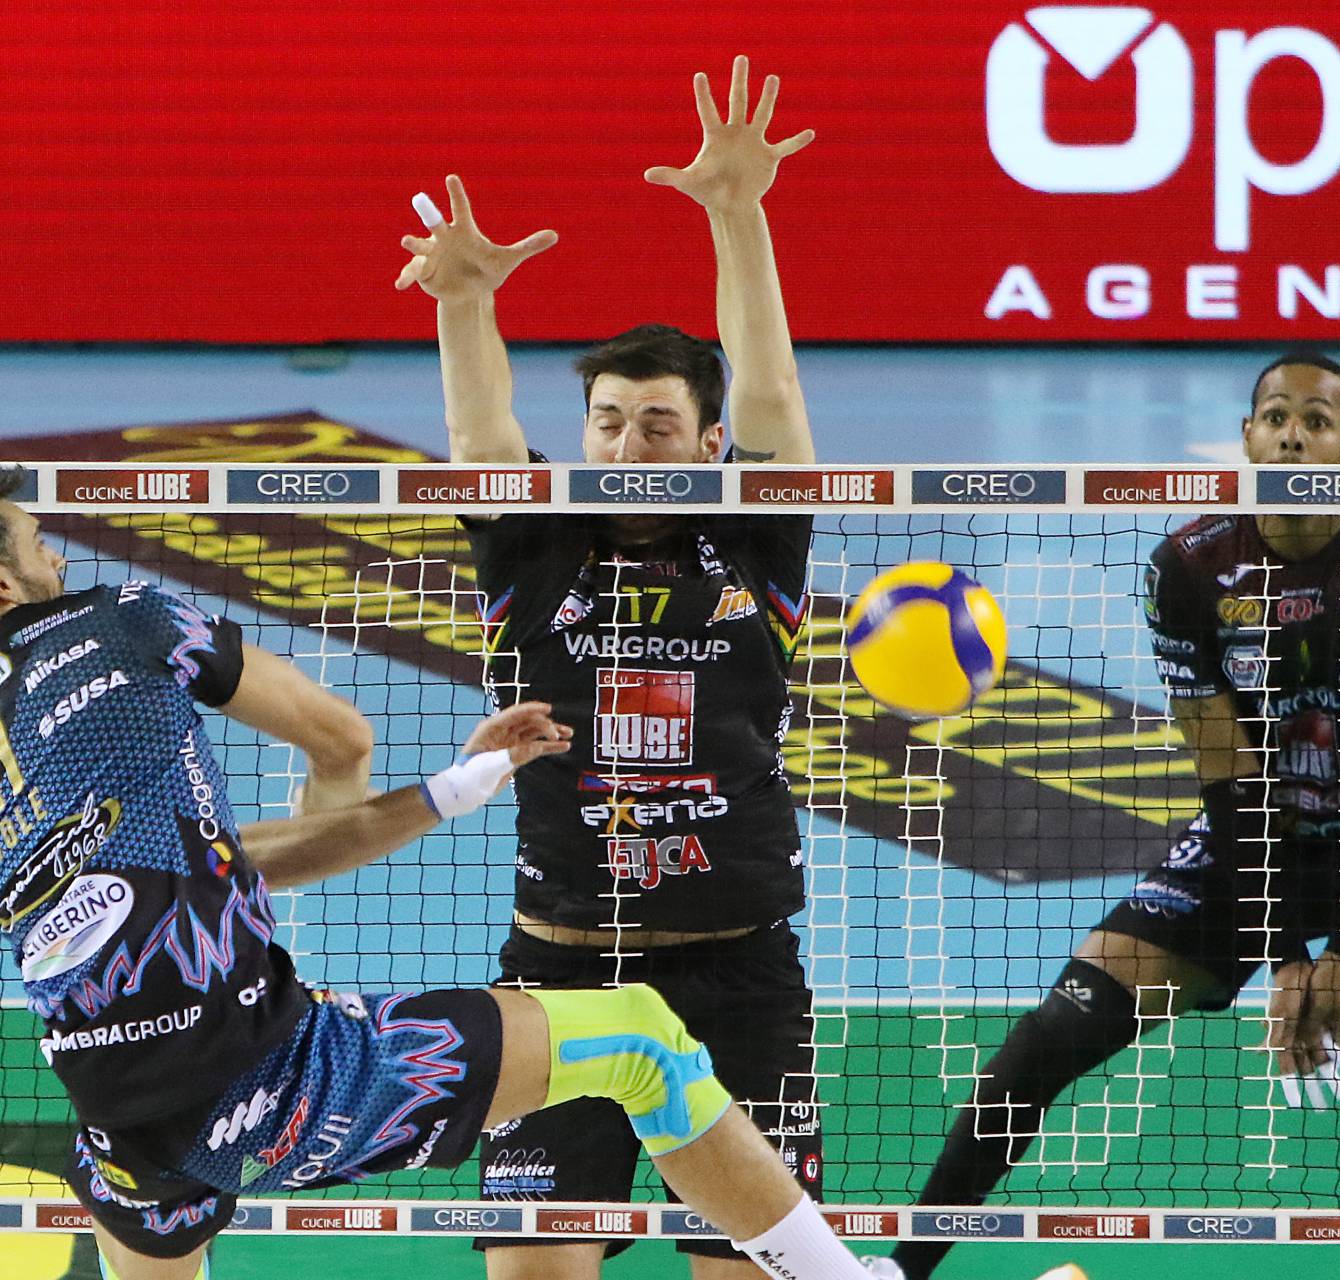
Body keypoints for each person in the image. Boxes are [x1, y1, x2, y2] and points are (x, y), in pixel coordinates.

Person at [0, 469, 878, 1280]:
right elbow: (341, 735)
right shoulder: (121, 618)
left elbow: (206, 872)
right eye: (35, 540)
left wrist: (448, 790)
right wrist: (347, 786)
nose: (55, 551)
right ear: (0, 582)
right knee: (646, 1041)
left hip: (122, 1129)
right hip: (272, 1072)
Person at [878, 352, 1340, 1280]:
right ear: (1248, 436)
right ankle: (899, 1271)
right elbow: (1227, 780)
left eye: (1317, 420)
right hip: (1249, 840)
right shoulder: (1191, 564)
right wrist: (1287, 953)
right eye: (1275, 416)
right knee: (1047, 1042)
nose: (1293, 434)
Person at [395, 55, 823, 1280]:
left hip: (738, 967)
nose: (628, 446)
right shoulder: (536, 543)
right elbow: (479, 430)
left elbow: (774, 385)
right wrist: (463, 301)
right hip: (565, 964)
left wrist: (736, 215)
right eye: (608, 422)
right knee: (532, 1269)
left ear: (710, 441)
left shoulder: (757, 535)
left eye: (658, 424)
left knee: (748, 1268)